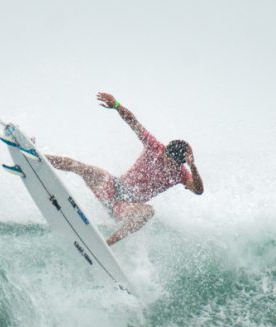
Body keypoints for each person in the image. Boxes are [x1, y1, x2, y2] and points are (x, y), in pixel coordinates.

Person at [46, 92, 204, 246]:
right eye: (166, 156)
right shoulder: (155, 147)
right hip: (112, 187)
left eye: (172, 162)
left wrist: (193, 167)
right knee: (84, 168)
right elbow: (133, 122)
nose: (166, 161)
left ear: (179, 163)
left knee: (148, 212)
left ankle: (106, 244)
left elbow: (198, 190)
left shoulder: (181, 174)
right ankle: (39, 156)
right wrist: (116, 105)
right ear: (166, 150)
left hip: (125, 206)